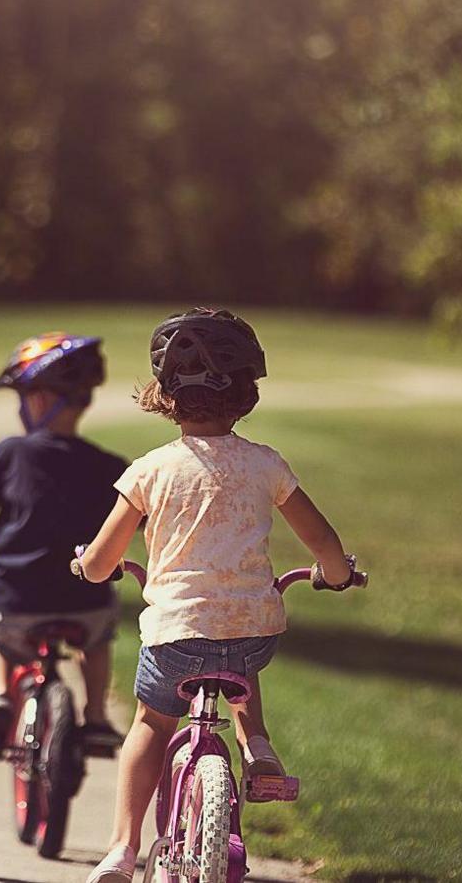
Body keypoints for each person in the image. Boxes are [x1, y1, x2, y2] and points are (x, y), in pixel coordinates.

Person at [70, 308, 359, 883]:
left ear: (166, 398)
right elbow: (323, 539)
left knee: (151, 726)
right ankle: (258, 746)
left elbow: (103, 560)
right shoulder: (266, 465)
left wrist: (89, 567)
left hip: (176, 634)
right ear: (247, 397)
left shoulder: (150, 471)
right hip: (253, 628)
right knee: (239, 661)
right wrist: (337, 572)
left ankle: (122, 850)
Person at [0, 333, 129, 760]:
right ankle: (97, 717)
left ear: (42, 400)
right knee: (98, 637)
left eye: (24, 397)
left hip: (18, 602)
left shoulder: (12, 453)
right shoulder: (108, 466)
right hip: (85, 601)